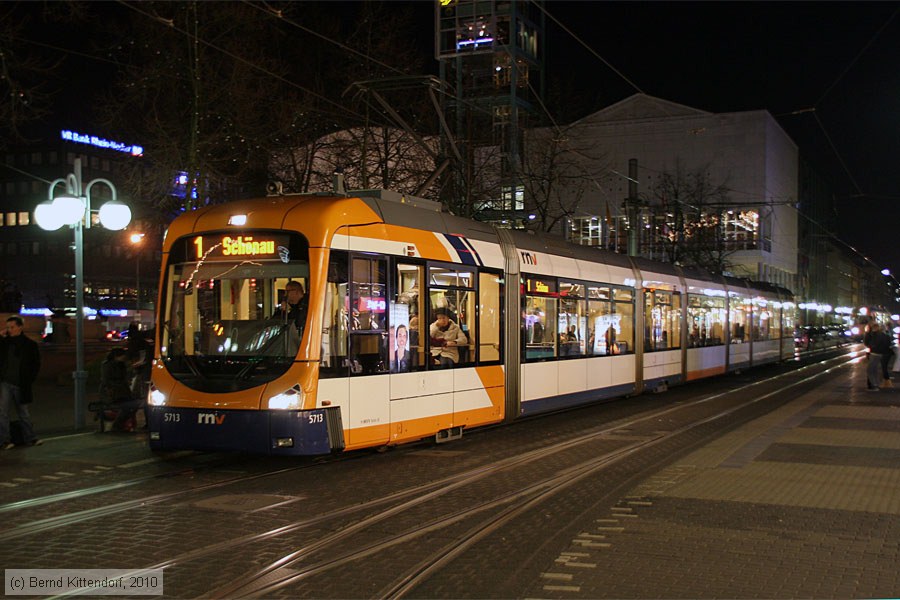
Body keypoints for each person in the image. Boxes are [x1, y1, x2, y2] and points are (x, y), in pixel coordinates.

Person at [0, 316, 42, 449]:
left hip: (21, 383)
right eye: (8, 327)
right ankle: (4, 440)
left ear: (20, 327)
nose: (9, 330)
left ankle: (31, 437)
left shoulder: (29, 345)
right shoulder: (5, 343)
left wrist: (29, 379)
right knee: (3, 412)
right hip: (5, 381)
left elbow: (35, 364)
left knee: (23, 412)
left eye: (12, 327)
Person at [99, 347, 139, 431]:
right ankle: (117, 425)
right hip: (113, 394)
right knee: (129, 406)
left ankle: (119, 425)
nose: (124, 358)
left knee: (134, 404)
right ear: (116, 356)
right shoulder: (108, 366)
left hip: (121, 394)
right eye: (122, 356)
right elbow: (107, 381)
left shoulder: (121, 365)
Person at [863, 323, 891, 391]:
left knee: (870, 370)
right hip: (880, 354)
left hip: (874, 353)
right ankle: (876, 384)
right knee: (874, 369)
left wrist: (866, 333)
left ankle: (874, 386)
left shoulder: (874, 335)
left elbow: (867, 343)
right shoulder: (883, 334)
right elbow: (888, 343)